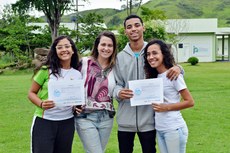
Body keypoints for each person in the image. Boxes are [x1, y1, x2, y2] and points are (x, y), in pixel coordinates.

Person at [113, 14, 183, 153]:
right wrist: (119, 92)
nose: (133, 29)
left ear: (143, 28)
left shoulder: (153, 52)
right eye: (129, 27)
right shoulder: (119, 57)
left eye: (137, 25)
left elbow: (170, 69)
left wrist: (179, 68)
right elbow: (116, 84)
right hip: (125, 121)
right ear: (125, 31)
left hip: (149, 120)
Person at [28, 35, 82, 153]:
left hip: (67, 122)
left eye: (67, 46)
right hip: (44, 121)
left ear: (72, 50)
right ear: (55, 51)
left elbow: (76, 98)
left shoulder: (77, 74)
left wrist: (77, 107)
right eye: (60, 47)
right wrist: (41, 104)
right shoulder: (45, 70)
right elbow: (31, 93)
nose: (64, 50)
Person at [143, 39, 194, 153]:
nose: (151, 57)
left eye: (155, 53)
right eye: (148, 54)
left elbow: (190, 101)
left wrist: (166, 107)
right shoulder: (154, 77)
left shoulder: (173, 75)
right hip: (160, 129)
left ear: (163, 54)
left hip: (173, 128)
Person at [74, 31, 117, 153]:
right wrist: (72, 103)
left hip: (107, 118)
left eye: (110, 45)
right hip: (85, 116)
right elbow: (69, 81)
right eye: (103, 44)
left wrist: (175, 67)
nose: (106, 48)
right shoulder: (84, 62)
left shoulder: (116, 67)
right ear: (97, 46)